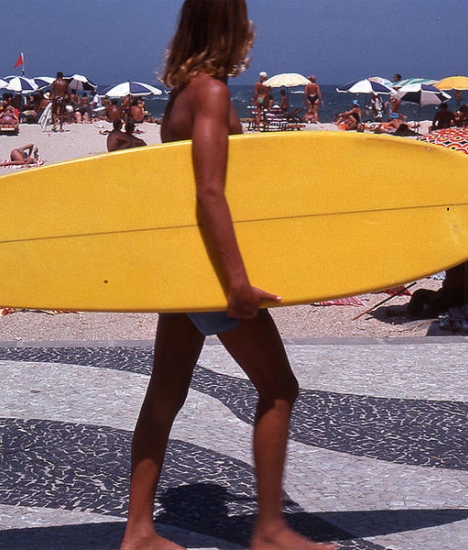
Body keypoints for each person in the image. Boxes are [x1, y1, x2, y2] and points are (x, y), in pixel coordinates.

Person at [119, 2, 335, 550]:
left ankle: (139, 531)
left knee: (165, 392)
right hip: (213, 271)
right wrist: (238, 284)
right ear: (233, 27)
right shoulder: (211, 93)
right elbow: (209, 191)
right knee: (279, 387)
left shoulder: (181, 95)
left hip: (186, 266)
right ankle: (268, 529)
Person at [407, 254, 468, 318]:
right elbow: (451, 282)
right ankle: (411, 314)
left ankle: (425, 315)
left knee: (443, 301)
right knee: (420, 293)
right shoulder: (456, 259)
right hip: (457, 292)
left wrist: (442, 293)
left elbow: (459, 282)